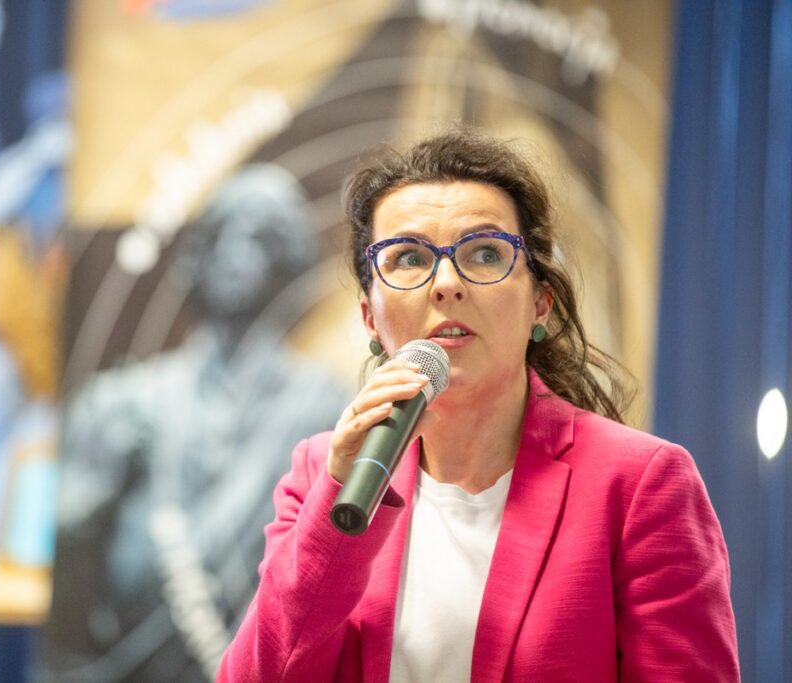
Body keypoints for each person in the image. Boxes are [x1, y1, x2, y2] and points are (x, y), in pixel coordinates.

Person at [217, 128, 739, 682]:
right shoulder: (319, 472)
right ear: (371, 318)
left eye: (485, 253)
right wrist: (335, 507)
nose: (446, 284)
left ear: (541, 304)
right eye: (409, 257)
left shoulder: (641, 485)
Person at [39, 164, 348, 682]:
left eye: (255, 237)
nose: (234, 254)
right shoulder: (125, 402)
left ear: (287, 262)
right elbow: (65, 559)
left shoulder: (326, 408)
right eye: (221, 235)